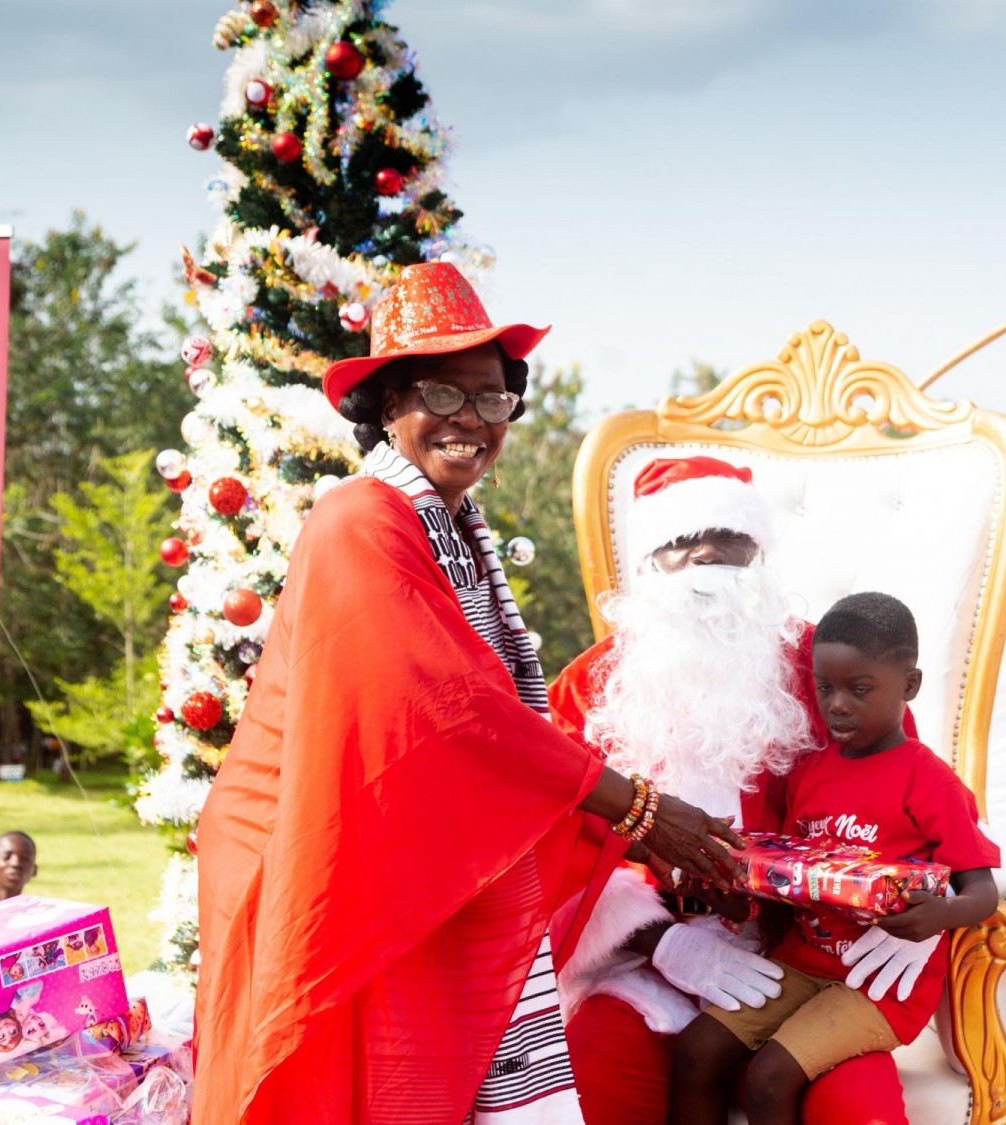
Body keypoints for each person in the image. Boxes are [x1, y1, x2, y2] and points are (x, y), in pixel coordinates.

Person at [192, 263, 743, 1125]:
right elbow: (450, 707)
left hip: (407, 832)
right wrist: (637, 808)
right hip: (323, 847)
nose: (471, 421)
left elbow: (501, 709)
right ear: (385, 407)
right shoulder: (357, 520)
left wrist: (625, 825)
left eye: (493, 400)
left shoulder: (451, 523)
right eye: (443, 394)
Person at [548, 458, 943, 1125]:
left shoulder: (830, 670)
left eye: (729, 542)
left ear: (759, 560)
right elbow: (550, 846)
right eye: (682, 542)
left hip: (813, 963)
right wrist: (657, 943)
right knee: (592, 1069)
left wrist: (923, 902)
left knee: (858, 1105)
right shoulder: (589, 689)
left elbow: (917, 797)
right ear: (646, 568)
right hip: (652, 967)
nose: (706, 557)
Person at [666, 592, 1001, 1125]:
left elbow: (981, 892)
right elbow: (788, 878)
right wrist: (732, 894)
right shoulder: (808, 773)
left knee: (768, 1077)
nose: (837, 704)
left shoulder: (930, 782)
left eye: (859, 689)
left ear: (908, 687)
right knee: (696, 1051)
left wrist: (938, 917)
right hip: (800, 963)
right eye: (825, 688)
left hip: (878, 985)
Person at [0, 830, 37, 904]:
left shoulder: (39, 914)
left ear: (34, 870)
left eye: (24, 859)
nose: (16, 863)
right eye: (7, 857)